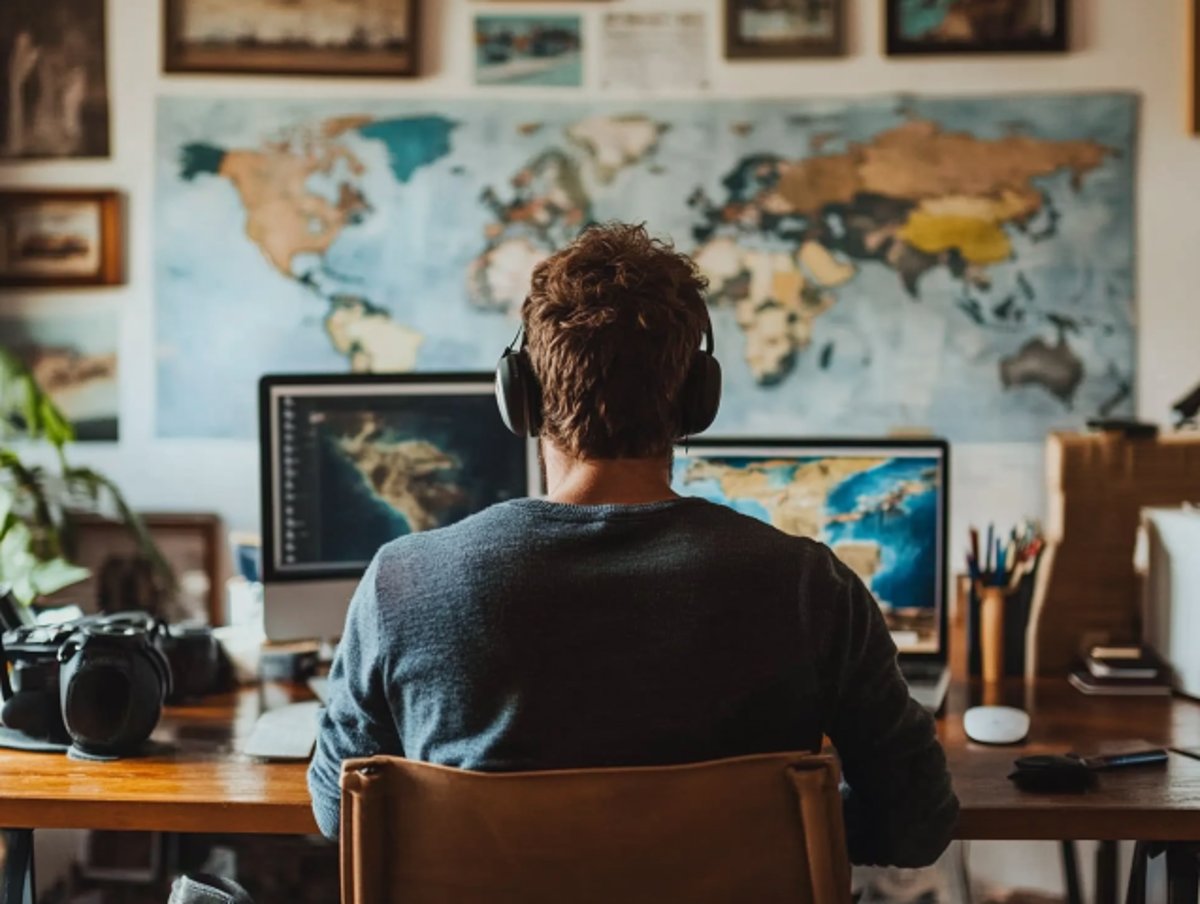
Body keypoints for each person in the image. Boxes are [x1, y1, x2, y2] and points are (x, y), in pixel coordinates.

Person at [308, 222, 958, 866]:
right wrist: (776, 826)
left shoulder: (403, 580)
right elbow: (916, 825)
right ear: (695, 402)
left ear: (523, 397)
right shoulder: (808, 586)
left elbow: (343, 814)